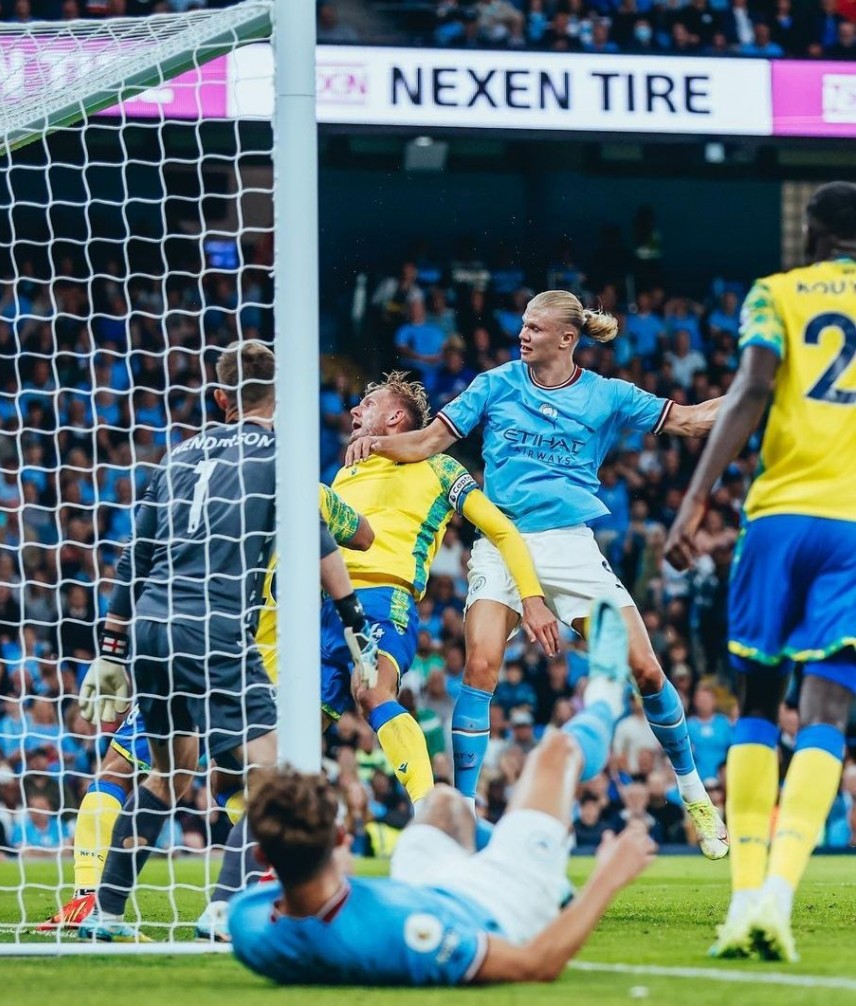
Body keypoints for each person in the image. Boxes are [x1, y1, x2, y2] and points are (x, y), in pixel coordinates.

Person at [346, 291, 729, 859]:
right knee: (479, 666)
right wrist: (373, 440)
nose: (522, 334)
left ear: (566, 338)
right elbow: (427, 442)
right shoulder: (495, 383)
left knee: (646, 669)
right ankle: (465, 825)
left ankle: (694, 791)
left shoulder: (607, 395)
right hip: (501, 542)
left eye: (534, 327)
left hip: (569, 544)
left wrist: (755, 390)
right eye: (521, 324)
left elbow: (695, 422)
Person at [74, 341, 370, 943]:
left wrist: (110, 647)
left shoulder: (177, 456)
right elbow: (319, 546)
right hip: (216, 626)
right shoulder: (282, 457)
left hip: (150, 629)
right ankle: (222, 909)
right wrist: (354, 620)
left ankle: (105, 913)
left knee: (165, 773)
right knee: (275, 774)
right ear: (280, 396)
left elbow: (137, 553)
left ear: (220, 396)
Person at [229, 599, 657, 986]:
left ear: (263, 859)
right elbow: (535, 963)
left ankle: (526, 844)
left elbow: (296, 905)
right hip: (497, 901)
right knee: (557, 751)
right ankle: (605, 697)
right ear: (343, 837)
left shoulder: (247, 923)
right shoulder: (406, 932)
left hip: (423, 887)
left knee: (443, 805)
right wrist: (607, 877)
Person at [39, 482, 374, 932]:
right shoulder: (308, 495)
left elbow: (141, 556)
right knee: (244, 783)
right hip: (266, 680)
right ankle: (243, 892)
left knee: (131, 773)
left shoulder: (201, 485)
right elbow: (365, 537)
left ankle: (92, 899)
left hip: (196, 654)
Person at [665, 181, 856, 962]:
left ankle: (743, 897)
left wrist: (697, 497)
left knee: (757, 699)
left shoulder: (775, 293)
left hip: (778, 521)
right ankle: (777, 898)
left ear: (811, 234)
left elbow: (751, 386)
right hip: (853, 528)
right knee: (826, 711)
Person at [324, 371, 559, 826]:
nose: (354, 411)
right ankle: (254, 860)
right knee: (276, 738)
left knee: (372, 691)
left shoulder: (440, 467)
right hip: (319, 609)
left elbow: (503, 531)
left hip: (379, 598)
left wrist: (532, 599)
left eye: (366, 403)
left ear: (395, 417)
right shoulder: (346, 470)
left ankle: (436, 819)